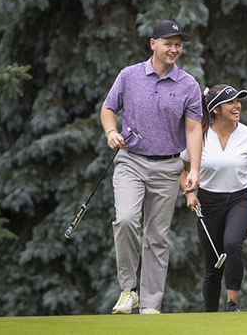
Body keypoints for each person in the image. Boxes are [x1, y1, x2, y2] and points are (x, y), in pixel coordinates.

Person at [101, 20, 203, 315]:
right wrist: (111, 133)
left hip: (168, 168)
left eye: (178, 45)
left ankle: (150, 306)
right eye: (168, 43)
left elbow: (194, 131)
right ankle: (128, 291)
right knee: (127, 220)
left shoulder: (188, 85)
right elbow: (108, 109)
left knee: (157, 237)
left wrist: (193, 169)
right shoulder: (129, 76)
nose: (174, 49)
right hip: (130, 161)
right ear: (153, 44)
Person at [179, 84, 247, 312]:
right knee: (212, 266)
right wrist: (189, 194)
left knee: (231, 243)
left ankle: (232, 304)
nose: (237, 106)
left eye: (238, 101)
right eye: (231, 102)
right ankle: (210, 316)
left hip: (241, 200)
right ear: (215, 109)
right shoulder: (199, 136)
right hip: (208, 202)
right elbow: (183, 171)